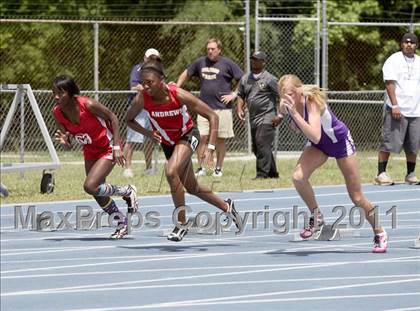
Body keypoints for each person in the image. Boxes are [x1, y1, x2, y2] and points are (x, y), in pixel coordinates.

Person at [126, 61, 241, 242]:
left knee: (171, 172)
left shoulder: (177, 94)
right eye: (143, 82)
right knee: (192, 188)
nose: (146, 86)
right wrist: (148, 133)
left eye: (150, 82)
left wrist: (210, 148)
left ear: (162, 80)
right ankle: (227, 206)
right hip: (167, 143)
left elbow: (213, 116)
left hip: (187, 136)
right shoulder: (142, 98)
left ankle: (181, 223)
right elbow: (129, 119)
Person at [278, 74, 388, 253]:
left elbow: (315, 134)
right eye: (283, 94)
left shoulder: (311, 101)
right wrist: (284, 113)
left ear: (299, 91)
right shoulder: (287, 104)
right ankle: (316, 216)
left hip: (339, 142)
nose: (287, 98)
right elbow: (300, 130)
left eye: (290, 93)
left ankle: (379, 231)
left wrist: (294, 114)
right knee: (298, 177)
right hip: (319, 145)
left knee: (357, 197)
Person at [52, 75, 138, 239]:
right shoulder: (57, 113)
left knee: (90, 186)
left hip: (108, 146)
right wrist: (65, 142)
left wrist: (117, 146)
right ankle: (122, 224)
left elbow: (112, 117)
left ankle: (127, 191)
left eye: (60, 93)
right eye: (54, 93)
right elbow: (68, 139)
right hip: (90, 151)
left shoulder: (88, 104)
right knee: (97, 191)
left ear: (70, 93)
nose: (56, 97)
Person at [177, 38, 244, 177]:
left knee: (220, 139)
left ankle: (218, 169)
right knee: (202, 137)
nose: (210, 51)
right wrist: (176, 88)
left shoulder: (227, 63)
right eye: (208, 49)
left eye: (213, 49)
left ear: (219, 50)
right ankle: (201, 167)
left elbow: (242, 79)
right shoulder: (200, 62)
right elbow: (186, 73)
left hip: (222, 108)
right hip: (203, 108)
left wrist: (234, 94)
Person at [375, 32, 420, 185]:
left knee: (413, 145)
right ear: (402, 44)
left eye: (412, 42)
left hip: (416, 110)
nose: (409, 44)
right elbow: (389, 83)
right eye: (406, 42)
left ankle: (410, 174)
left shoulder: (419, 61)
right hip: (397, 109)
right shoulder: (393, 60)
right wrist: (395, 105)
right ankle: (381, 173)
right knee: (389, 142)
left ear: (416, 45)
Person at [237, 51, 282, 179]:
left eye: (257, 60)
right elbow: (241, 95)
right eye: (253, 59)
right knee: (258, 148)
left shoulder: (270, 79)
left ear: (263, 62)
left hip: (267, 117)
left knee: (262, 143)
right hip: (253, 118)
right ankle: (273, 173)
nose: (254, 62)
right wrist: (239, 109)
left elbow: (281, 97)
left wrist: (279, 115)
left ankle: (262, 174)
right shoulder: (246, 78)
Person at [123, 48, 161, 178]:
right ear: (145, 58)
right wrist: (148, 88)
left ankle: (149, 168)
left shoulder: (158, 71)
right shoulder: (138, 69)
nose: (151, 60)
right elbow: (134, 86)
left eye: (154, 58)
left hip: (151, 108)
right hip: (138, 108)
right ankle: (127, 168)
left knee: (150, 139)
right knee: (132, 139)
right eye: (150, 58)